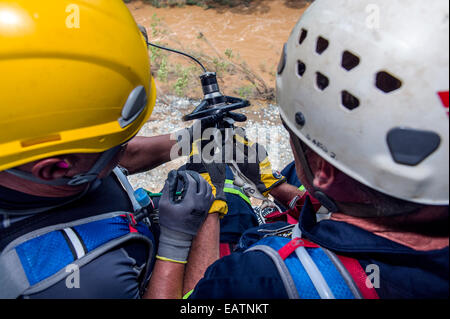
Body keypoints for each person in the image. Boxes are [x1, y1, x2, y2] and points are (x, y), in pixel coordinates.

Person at [186, 0, 449, 299]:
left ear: (323, 170)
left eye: (294, 136)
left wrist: (209, 210)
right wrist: (272, 185)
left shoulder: (254, 281)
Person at [0, 0, 215, 299]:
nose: (124, 149)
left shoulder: (24, 155)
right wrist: (180, 240)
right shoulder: (79, 282)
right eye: (117, 142)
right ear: (53, 168)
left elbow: (118, 157)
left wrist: (195, 136)